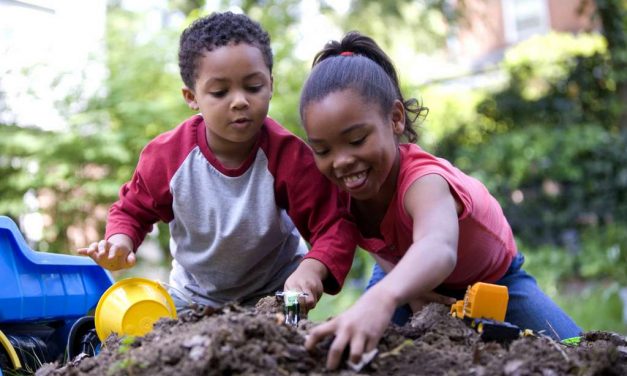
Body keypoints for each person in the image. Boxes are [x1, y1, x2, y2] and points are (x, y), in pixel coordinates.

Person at [298, 31, 582, 370]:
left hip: (493, 280)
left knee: (575, 350)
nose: (341, 161)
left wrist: (383, 297)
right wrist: (406, 292)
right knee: (375, 355)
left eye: (356, 140)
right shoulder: (344, 187)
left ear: (395, 118)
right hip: (402, 272)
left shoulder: (424, 182)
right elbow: (379, 242)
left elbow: (438, 247)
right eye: (323, 150)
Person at [78, 12, 357, 313]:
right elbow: (132, 210)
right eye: (220, 92)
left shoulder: (288, 156)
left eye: (253, 87)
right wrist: (120, 242)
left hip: (274, 292)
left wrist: (311, 269)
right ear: (191, 96)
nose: (239, 101)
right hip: (192, 297)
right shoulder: (167, 157)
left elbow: (333, 224)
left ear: (271, 85)